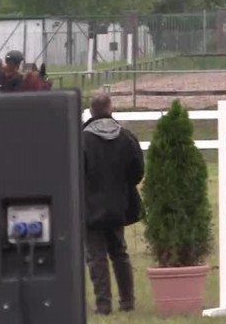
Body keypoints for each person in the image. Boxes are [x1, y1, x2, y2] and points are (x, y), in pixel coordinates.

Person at [83, 94, 144, 315]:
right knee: (119, 252)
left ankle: (103, 304)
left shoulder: (82, 140)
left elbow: (75, 173)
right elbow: (137, 173)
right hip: (118, 206)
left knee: (96, 256)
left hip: (89, 207)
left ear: (91, 112)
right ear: (111, 109)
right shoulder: (126, 137)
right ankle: (127, 301)